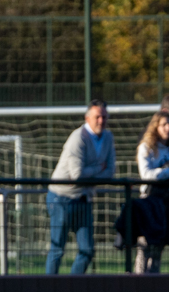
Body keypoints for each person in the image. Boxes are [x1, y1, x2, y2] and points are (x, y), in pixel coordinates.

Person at [45, 99, 116, 274]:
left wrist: (88, 175)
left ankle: (71, 285)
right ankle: (48, 288)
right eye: (97, 117)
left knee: (87, 250)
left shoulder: (108, 137)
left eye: (104, 117)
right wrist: (98, 169)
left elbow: (110, 172)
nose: (101, 121)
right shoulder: (77, 138)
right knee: (57, 249)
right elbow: (77, 175)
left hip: (84, 198)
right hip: (61, 197)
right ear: (87, 118)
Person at [135, 110, 169, 273]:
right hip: (149, 202)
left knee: (158, 248)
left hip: (168, 203)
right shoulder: (146, 147)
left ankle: (153, 283)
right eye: (164, 125)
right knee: (145, 247)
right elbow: (146, 175)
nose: (168, 128)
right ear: (155, 127)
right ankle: (137, 283)